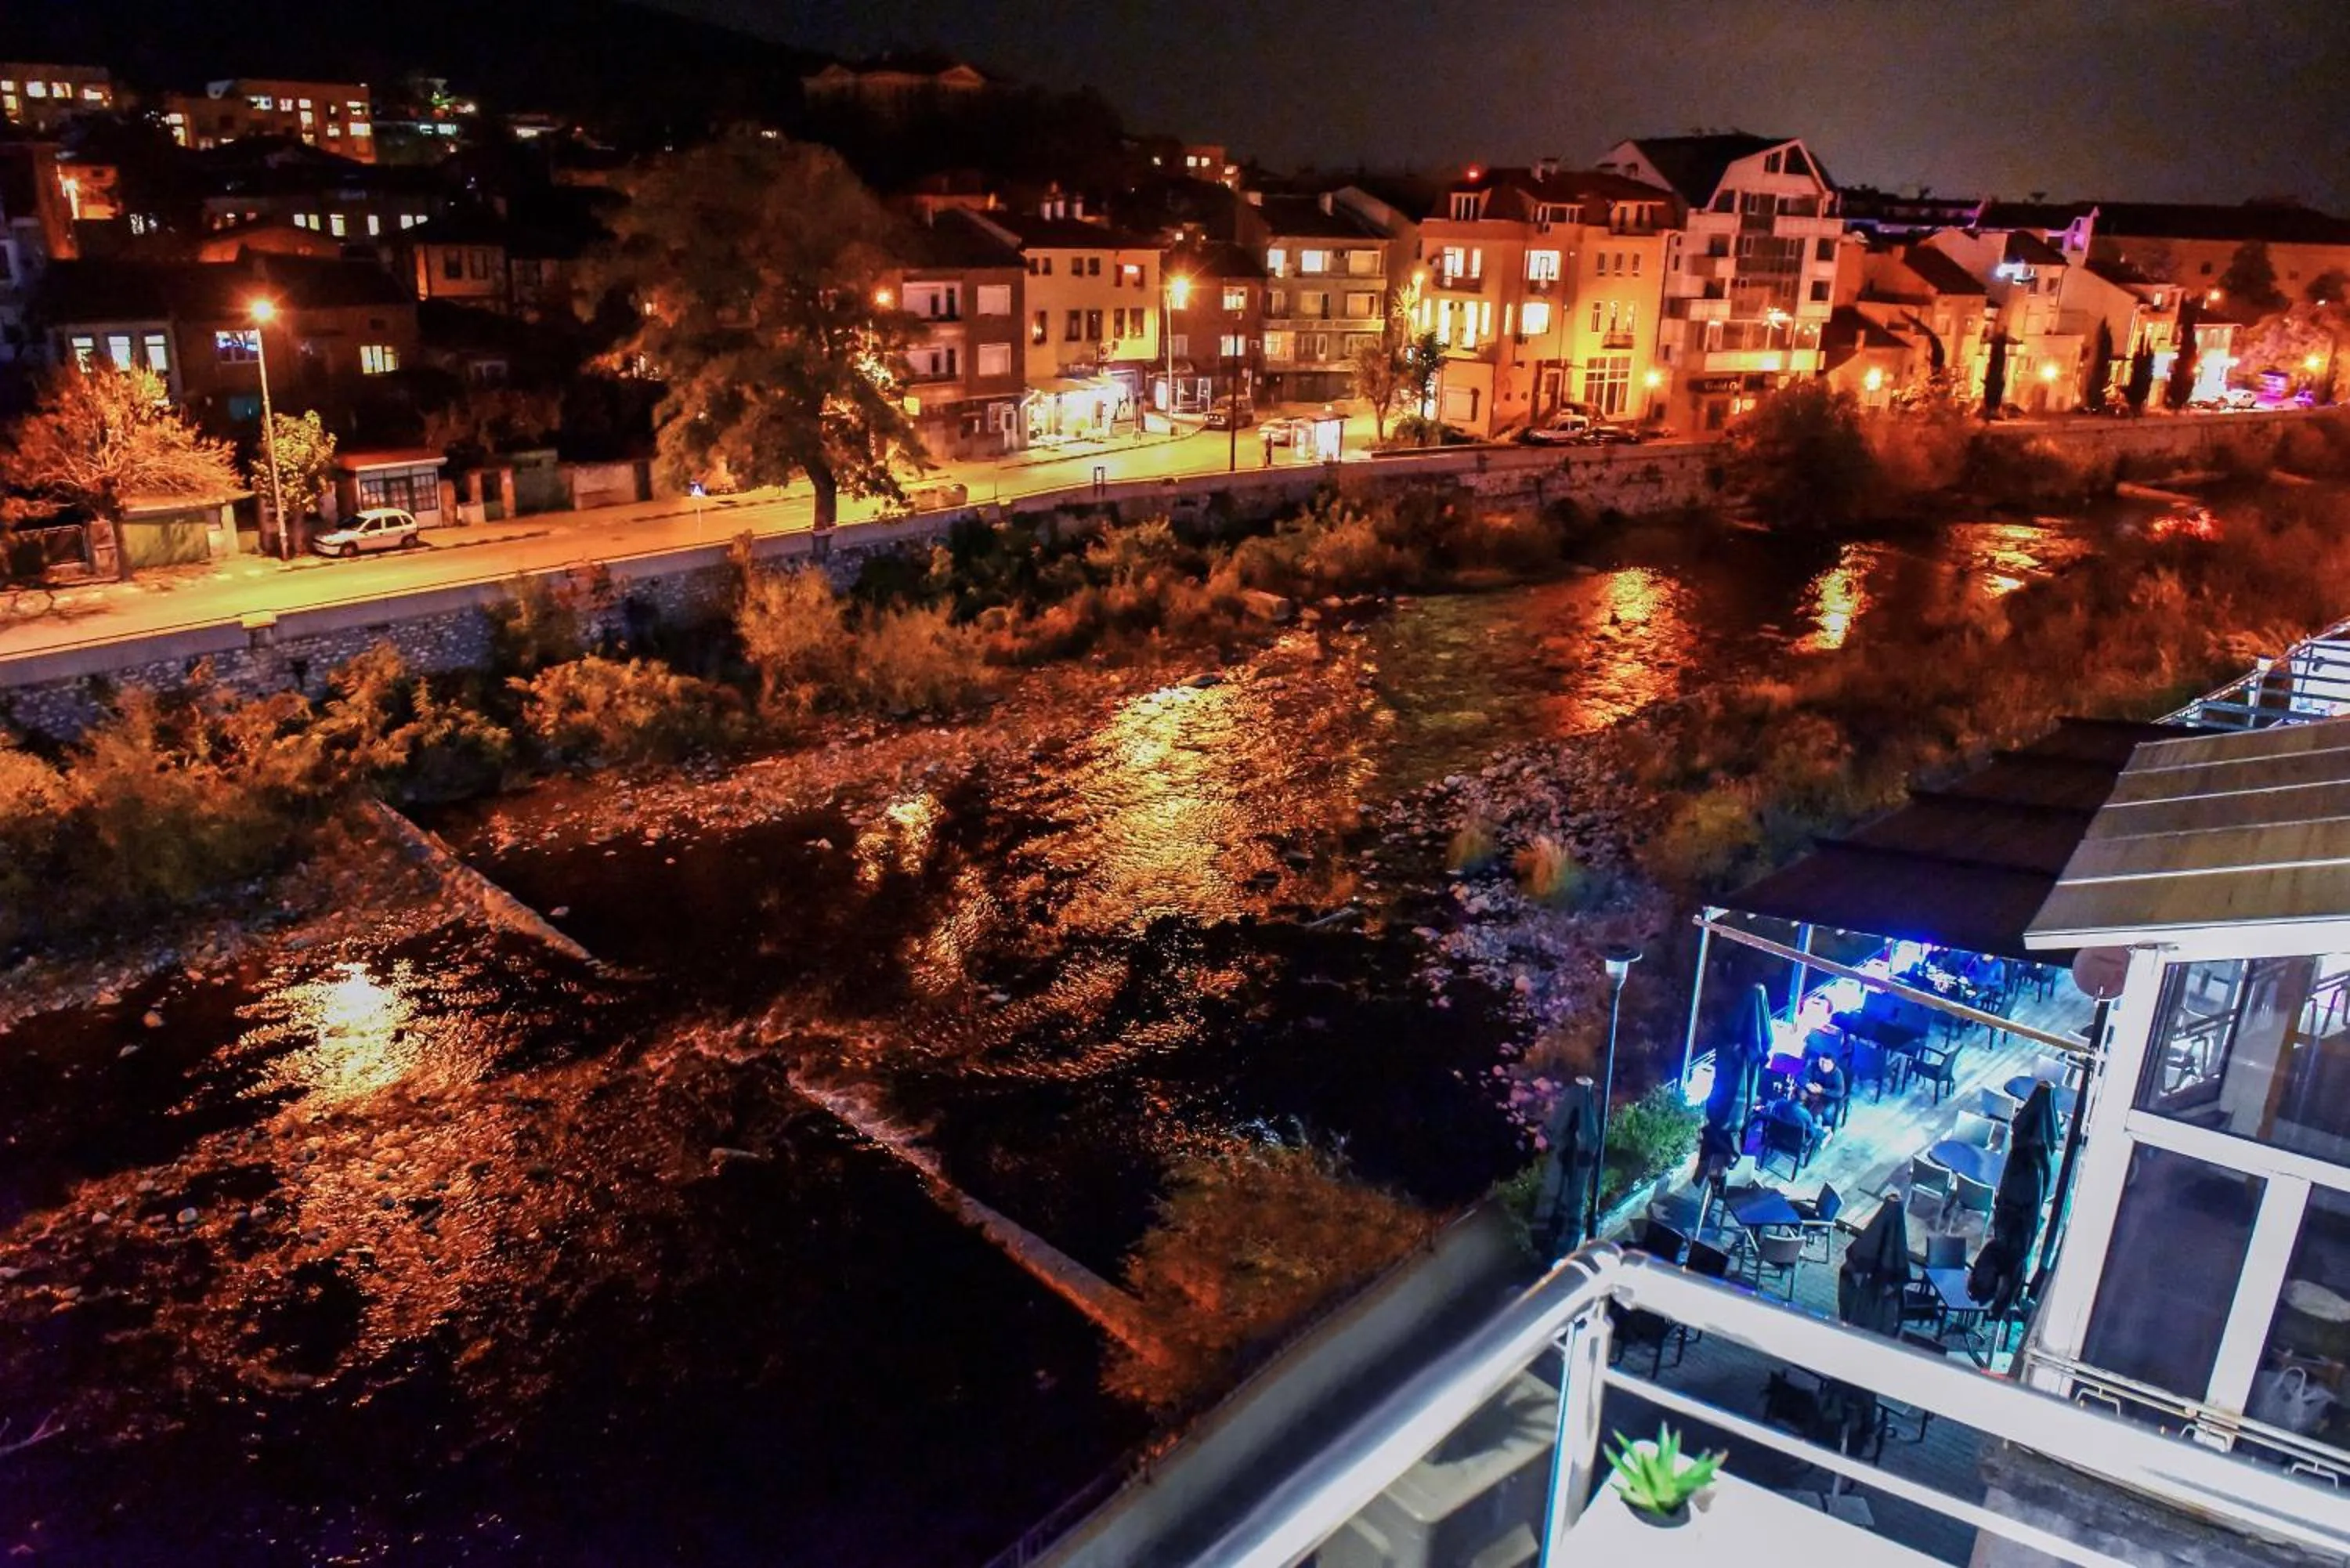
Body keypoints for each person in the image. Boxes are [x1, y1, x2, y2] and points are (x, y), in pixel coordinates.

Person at [1802, 1050, 1847, 1134]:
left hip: (1829, 1097)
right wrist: (1808, 1085)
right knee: (1804, 1105)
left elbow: (1840, 1092)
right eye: (1822, 1062)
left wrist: (1822, 1091)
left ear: (1833, 1065)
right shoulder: (1813, 1066)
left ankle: (1827, 1128)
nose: (1823, 1066)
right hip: (1814, 1094)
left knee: (1827, 1112)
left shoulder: (1837, 1074)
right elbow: (1803, 1077)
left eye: (1827, 1064)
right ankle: (1807, 1126)